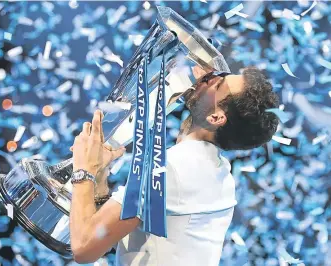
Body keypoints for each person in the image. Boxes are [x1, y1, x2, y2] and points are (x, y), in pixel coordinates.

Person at [69, 66, 280, 265]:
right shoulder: (217, 171)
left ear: (216, 117)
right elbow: (110, 235)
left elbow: (84, 247)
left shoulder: (176, 168)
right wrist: (98, 175)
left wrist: (84, 169)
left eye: (218, 83)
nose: (209, 77)